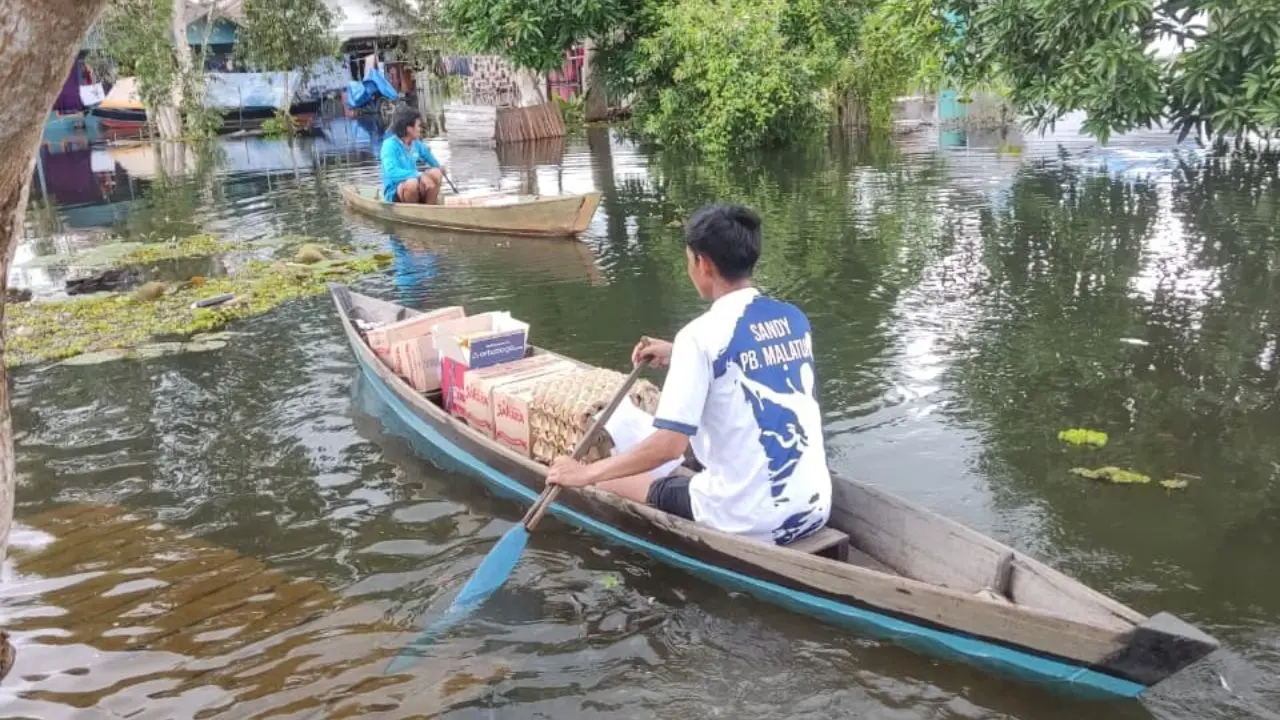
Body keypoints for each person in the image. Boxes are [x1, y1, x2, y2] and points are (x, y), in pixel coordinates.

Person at [547, 203, 831, 545]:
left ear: (704, 264)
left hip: (746, 519)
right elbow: (748, 356)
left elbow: (669, 447)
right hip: (815, 509)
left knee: (608, 481)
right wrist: (677, 352)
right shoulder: (793, 318)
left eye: (689, 260)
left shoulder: (699, 336)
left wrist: (583, 474)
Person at [380, 107, 446, 204]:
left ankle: (430, 208)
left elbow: (430, 158)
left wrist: (439, 168)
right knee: (412, 183)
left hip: (415, 185)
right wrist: (419, 175)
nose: (420, 129)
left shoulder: (416, 143)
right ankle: (413, 213)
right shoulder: (389, 145)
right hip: (394, 191)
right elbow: (391, 172)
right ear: (409, 129)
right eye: (418, 126)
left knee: (436, 173)